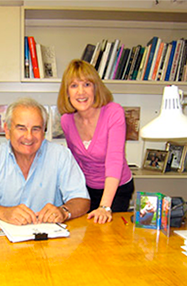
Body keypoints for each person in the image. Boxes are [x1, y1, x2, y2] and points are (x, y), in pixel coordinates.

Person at [0, 97, 90, 225]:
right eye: (21, 128)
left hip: (49, 239)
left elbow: (82, 200)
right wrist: (3, 212)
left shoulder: (61, 155)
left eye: (36, 129)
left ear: (43, 132)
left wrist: (63, 211)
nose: (29, 136)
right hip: (2, 240)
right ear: (7, 130)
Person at [57, 59, 134, 224]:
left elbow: (114, 160)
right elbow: (75, 162)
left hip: (116, 188)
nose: (81, 92)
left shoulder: (113, 112)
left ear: (95, 88)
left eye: (86, 84)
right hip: (87, 189)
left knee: (109, 236)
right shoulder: (67, 120)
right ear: (67, 92)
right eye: (74, 86)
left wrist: (105, 206)